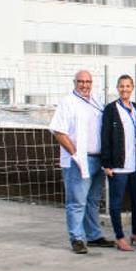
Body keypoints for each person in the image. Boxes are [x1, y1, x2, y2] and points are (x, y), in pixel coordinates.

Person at [50, 70, 114, 254]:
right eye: (81, 81)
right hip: (79, 159)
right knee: (77, 201)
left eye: (88, 82)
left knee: (93, 200)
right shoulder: (67, 102)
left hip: (98, 158)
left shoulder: (95, 101)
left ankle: (93, 235)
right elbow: (58, 131)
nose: (84, 85)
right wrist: (75, 153)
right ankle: (77, 238)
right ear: (74, 82)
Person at [101, 74, 136, 251]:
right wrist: (106, 163)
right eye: (122, 86)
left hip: (135, 162)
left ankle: (135, 232)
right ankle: (119, 237)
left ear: (132, 88)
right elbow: (105, 136)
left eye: (128, 86)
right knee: (116, 202)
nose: (125, 89)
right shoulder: (111, 109)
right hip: (118, 163)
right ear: (117, 88)